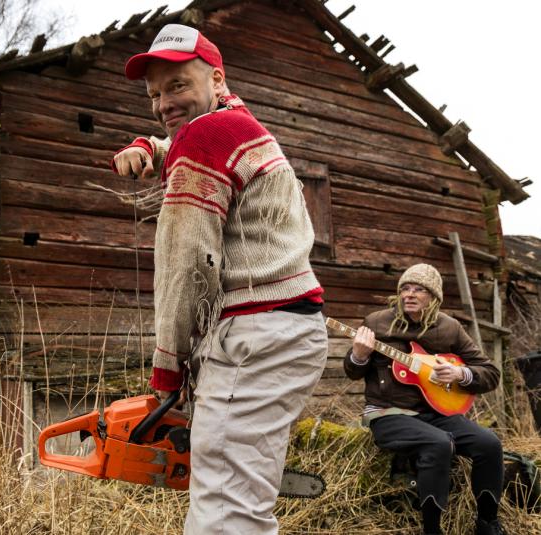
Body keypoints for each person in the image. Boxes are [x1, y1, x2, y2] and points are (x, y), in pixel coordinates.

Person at [111, 24, 328, 534]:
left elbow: (185, 265)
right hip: (284, 330)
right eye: (155, 95)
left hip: (254, 337)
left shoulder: (205, 136)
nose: (164, 103)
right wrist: (156, 148)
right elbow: (200, 145)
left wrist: (167, 369)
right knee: (237, 501)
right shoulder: (239, 126)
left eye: (178, 86)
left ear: (216, 77)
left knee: (225, 516)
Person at [344, 263, 504, 535]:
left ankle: (487, 523)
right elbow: (352, 372)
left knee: (489, 444)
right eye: (405, 288)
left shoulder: (449, 327)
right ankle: (432, 530)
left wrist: (459, 373)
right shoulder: (376, 322)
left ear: (434, 297)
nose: (409, 294)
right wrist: (358, 355)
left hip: (436, 413)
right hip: (388, 413)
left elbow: (490, 372)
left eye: (418, 289)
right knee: (439, 444)